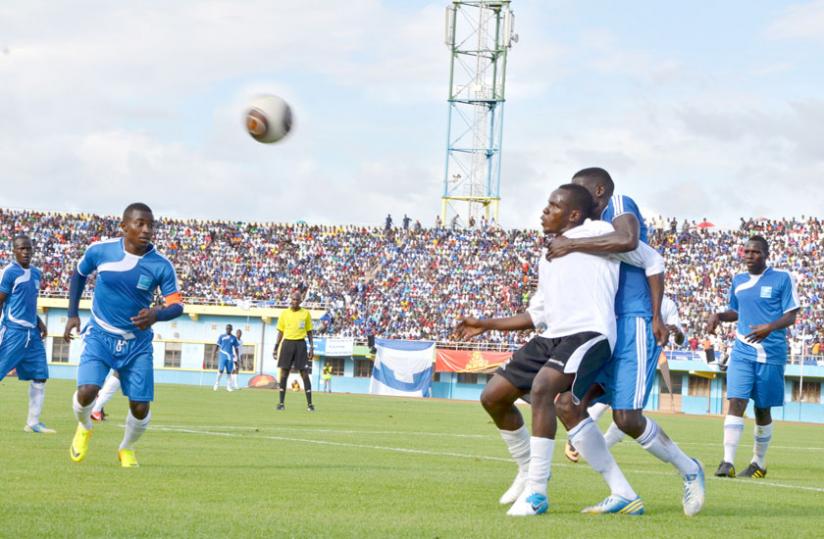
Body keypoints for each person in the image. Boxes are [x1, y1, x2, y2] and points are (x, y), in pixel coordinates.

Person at [456, 184, 665, 517]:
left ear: (574, 214)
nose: (544, 211)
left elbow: (645, 253)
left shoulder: (601, 232)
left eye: (553, 206)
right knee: (493, 396)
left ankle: (537, 491)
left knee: (544, 388)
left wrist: (656, 315)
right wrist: (485, 323)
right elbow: (536, 316)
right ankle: (527, 470)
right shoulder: (548, 253)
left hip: (590, 334)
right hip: (553, 336)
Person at [548, 168, 704, 516]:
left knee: (627, 419)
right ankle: (622, 493)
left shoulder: (617, 205)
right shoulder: (590, 230)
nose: (579, 197)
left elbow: (635, 245)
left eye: (583, 190)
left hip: (633, 321)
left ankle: (690, 469)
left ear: (599, 190)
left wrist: (657, 316)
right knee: (566, 404)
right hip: (601, 325)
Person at [64, 202, 184, 468]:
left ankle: (126, 448)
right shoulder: (100, 251)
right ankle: (84, 427)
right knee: (87, 391)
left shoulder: (161, 266)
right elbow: (79, 275)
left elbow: (177, 305)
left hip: (137, 344)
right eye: (139, 224)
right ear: (124, 226)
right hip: (100, 335)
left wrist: (156, 314)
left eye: (150, 225)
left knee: (140, 407)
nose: (146, 230)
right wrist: (73, 313)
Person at [706, 235, 799, 479]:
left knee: (762, 409)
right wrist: (718, 315)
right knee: (736, 401)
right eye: (746, 251)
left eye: (755, 252)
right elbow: (736, 311)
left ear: (766, 254)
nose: (749, 255)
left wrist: (769, 327)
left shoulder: (782, 278)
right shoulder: (738, 281)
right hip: (742, 350)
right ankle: (727, 462)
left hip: (771, 353)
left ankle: (758, 463)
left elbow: (792, 315)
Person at [566, 294, 686, 460]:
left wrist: (677, 331)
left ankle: (597, 449)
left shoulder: (667, 305)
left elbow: (680, 340)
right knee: (600, 399)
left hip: (644, 363)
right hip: (620, 355)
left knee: (627, 415)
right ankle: (578, 437)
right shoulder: (627, 296)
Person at [0, 235, 55, 434]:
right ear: (14, 250)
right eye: (21, 248)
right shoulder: (9, 272)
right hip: (13, 331)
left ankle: (33, 423)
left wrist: (39, 322)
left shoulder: (36, 274)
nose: (25, 252)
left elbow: (29, 302)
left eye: (28, 248)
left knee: (40, 375)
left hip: (32, 333)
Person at [274, 291, 314, 411]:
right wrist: (276, 347)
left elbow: (309, 332)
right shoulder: (284, 314)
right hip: (287, 344)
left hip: (300, 344)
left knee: (304, 373)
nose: (295, 301)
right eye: (293, 299)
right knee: (284, 373)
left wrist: (312, 347)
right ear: (290, 300)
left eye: (297, 300)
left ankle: (310, 404)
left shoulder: (306, 314)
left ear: (300, 301)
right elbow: (280, 331)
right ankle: (281, 403)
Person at [212, 324, 239, 392]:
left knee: (229, 372)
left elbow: (236, 348)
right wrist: (214, 354)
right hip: (223, 355)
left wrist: (237, 356)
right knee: (221, 370)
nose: (228, 330)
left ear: (231, 329)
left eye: (229, 329)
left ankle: (228, 387)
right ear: (225, 329)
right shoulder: (222, 336)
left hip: (230, 356)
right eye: (227, 328)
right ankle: (216, 384)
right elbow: (217, 345)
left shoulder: (234, 338)